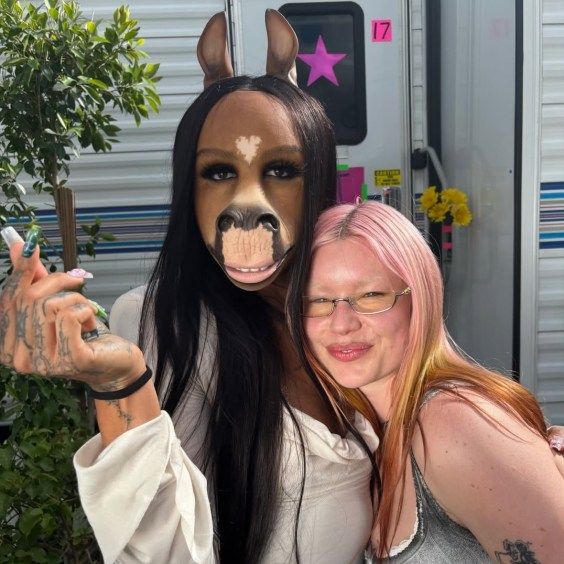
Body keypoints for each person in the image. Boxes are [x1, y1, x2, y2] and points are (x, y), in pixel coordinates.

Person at [0, 11, 380, 564]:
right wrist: (120, 383)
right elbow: (166, 546)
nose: (247, 207)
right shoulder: (166, 324)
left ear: (318, 180)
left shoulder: (350, 308)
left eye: (281, 170)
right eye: (219, 172)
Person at [300, 201, 564, 562]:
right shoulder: (363, 426)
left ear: (420, 300)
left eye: (371, 295)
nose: (342, 323)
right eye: (318, 300)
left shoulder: (454, 424)